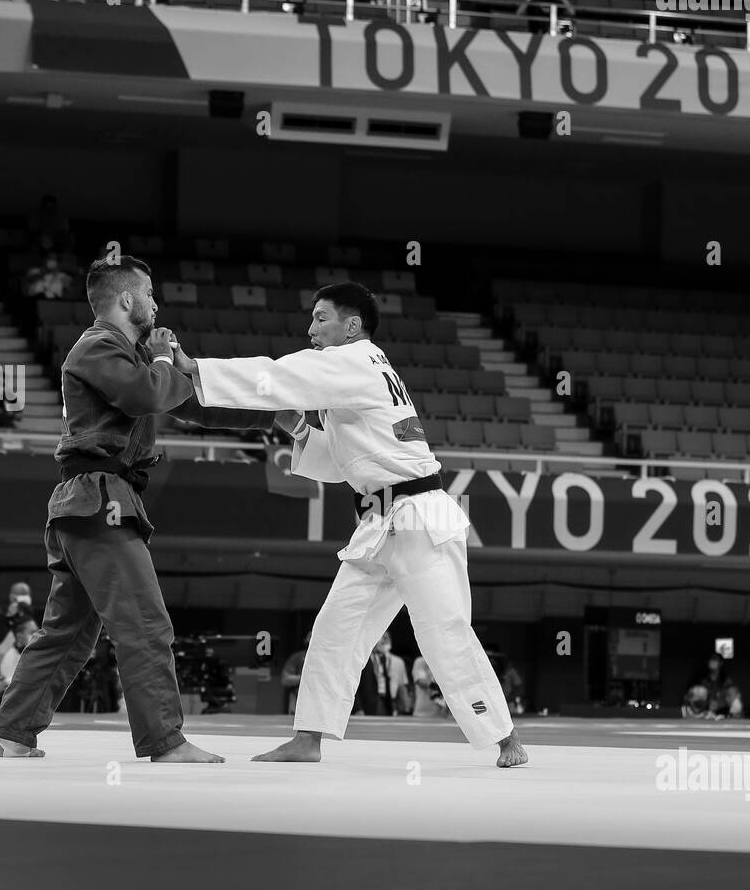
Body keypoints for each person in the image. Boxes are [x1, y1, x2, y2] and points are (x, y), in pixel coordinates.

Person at [174, 281, 528, 768]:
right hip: (380, 524)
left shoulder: (355, 360)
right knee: (334, 630)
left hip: (418, 520)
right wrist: (297, 428)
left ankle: (505, 736)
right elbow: (351, 461)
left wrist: (196, 368)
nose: (311, 328)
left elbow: (276, 375)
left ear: (351, 326)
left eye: (321, 318)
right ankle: (309, 738)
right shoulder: (364, 369)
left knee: (443, 629)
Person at [0, 256, 269, 761]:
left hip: (93, 502)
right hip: (99, 497)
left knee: (68, 631)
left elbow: (188, 404)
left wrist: (274, 416)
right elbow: (144, 395)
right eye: (151, 294)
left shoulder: (127, 354)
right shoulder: (98, 345)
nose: (157, 304)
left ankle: (10, 735)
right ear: (129, 300)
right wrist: (160, 362)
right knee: (144, 621)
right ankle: (164, 741)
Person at [356, 631, 409, 716]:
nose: (383, 642)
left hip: (383, 703)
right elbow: (355, 686)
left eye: (386, 639)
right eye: (382, 638)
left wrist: (392, 707)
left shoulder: (382, 658)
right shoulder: (361, 658)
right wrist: (358, 708)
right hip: (367, 705)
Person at [280, 627, 312, 715]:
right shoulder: (298, 657)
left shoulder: (329, 659)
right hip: (298, 704)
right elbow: (285, 680)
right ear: (306, 639)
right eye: (310, 636)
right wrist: (308, 678)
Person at [411, 651, 447, 717]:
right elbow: (421, 681)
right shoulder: (420, 661)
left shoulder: (445, 662)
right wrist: (439, 686)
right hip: (423, 712)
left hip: (442, 713)